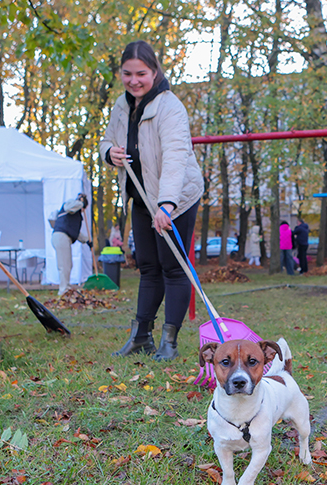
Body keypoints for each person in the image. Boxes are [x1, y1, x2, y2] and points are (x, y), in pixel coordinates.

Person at [100, 40, 204, 360]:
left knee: (173, 267)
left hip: (176, 198)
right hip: (142, 197)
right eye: (127, 74)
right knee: (147, 267)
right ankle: (140, 336)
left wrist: (167, 205)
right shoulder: (122, 105)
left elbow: (175, 157)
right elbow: (107, 140)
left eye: (141, 74)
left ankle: (169, 342)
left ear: (154, 71)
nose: (134, 81)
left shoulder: (169, 107)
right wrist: (110, 153)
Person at [51, 193, 90, 296]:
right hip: (60, 236)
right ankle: (63, 290)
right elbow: (69, 208)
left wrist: (87, 241)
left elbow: (75, 232)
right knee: (64, 265)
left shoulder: (75, 216)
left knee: (68, 264)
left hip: (64, 237)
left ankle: (66, 288)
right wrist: (80, 203)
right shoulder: (70, 204)